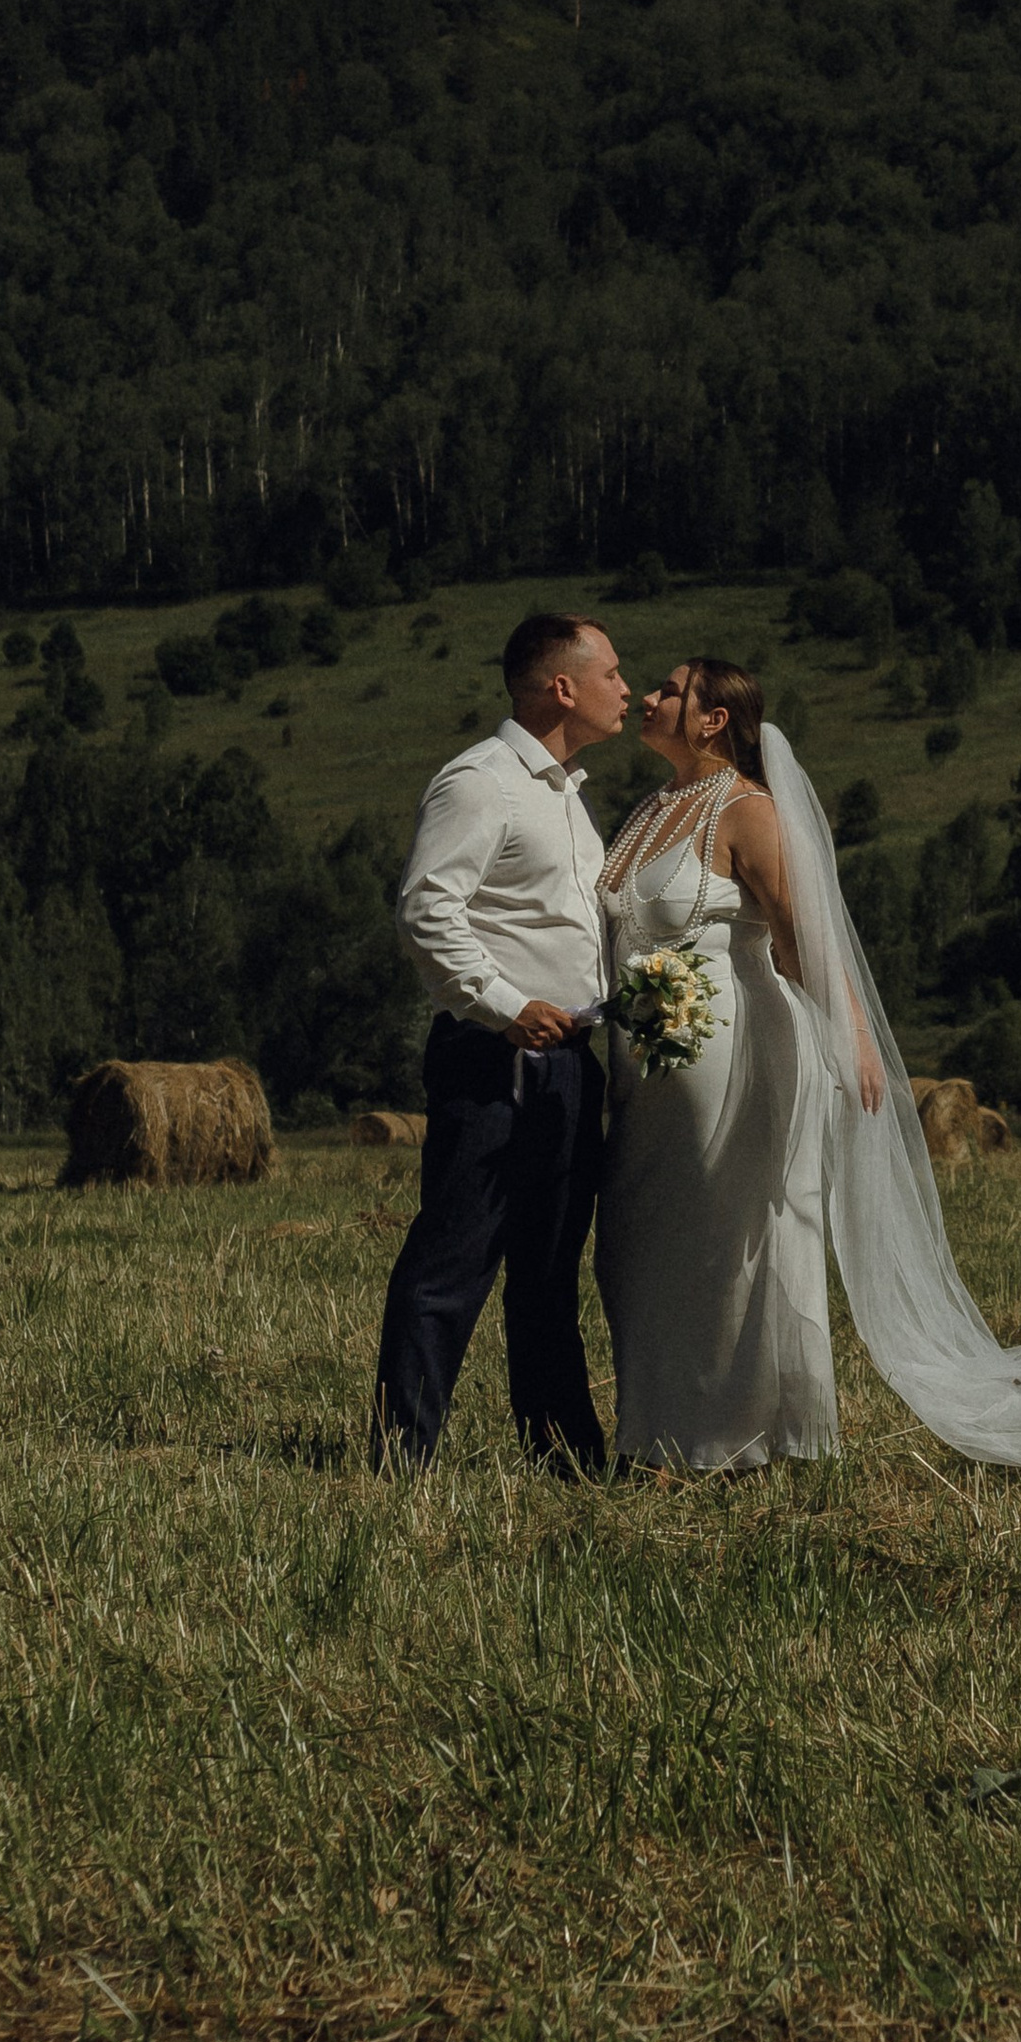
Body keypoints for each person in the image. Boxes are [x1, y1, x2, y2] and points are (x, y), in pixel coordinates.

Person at [594, 656, 1021, 1475]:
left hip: (739, 1057)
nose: (649, 695)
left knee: (726, 1244)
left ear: (712, 719)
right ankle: (652, 1427)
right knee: (643, 1241)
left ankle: (731, 1438)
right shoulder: (647, 810)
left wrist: (852, 1032)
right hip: (646, 1068)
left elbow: (799, 935)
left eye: (671, 688)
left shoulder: (747, 810)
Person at [371, 610, 631, 1471]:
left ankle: (562, 1455)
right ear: (562, 686)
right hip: (494, 1058)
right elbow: (425, 907)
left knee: (551, 1269)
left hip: (568, 1063)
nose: (626, 690)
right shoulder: (480, 781)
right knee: (452, 1262)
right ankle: (401, 1456)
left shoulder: (566, 794)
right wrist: (503, 1003)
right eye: (612, 674)